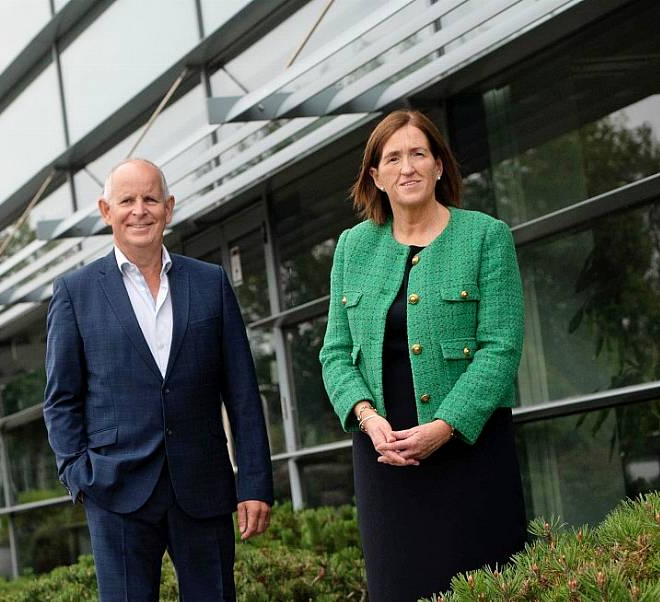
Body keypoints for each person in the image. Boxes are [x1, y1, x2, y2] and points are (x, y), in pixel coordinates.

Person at [43, 158, 274, 601]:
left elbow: (242, 393)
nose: (139, 210)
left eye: (150, 199)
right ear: (105, 211)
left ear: (169, 207)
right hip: (114, 489)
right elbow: (61, 398)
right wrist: (79, 475)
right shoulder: (75, 292)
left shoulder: (210, 283)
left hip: (203, 486)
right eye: (126, 200)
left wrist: (254, 482)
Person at [319, 109, 527, 600]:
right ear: (376, 176)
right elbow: (334, 353)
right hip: (386, 461)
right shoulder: (352, 248)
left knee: (486, 586)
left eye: (418, 154)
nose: (406, 167)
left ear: (439, 165)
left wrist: (446, 425)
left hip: (471, 454)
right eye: (393, 158)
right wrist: (367, 419)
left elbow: (501, 347)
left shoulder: (485, 236)